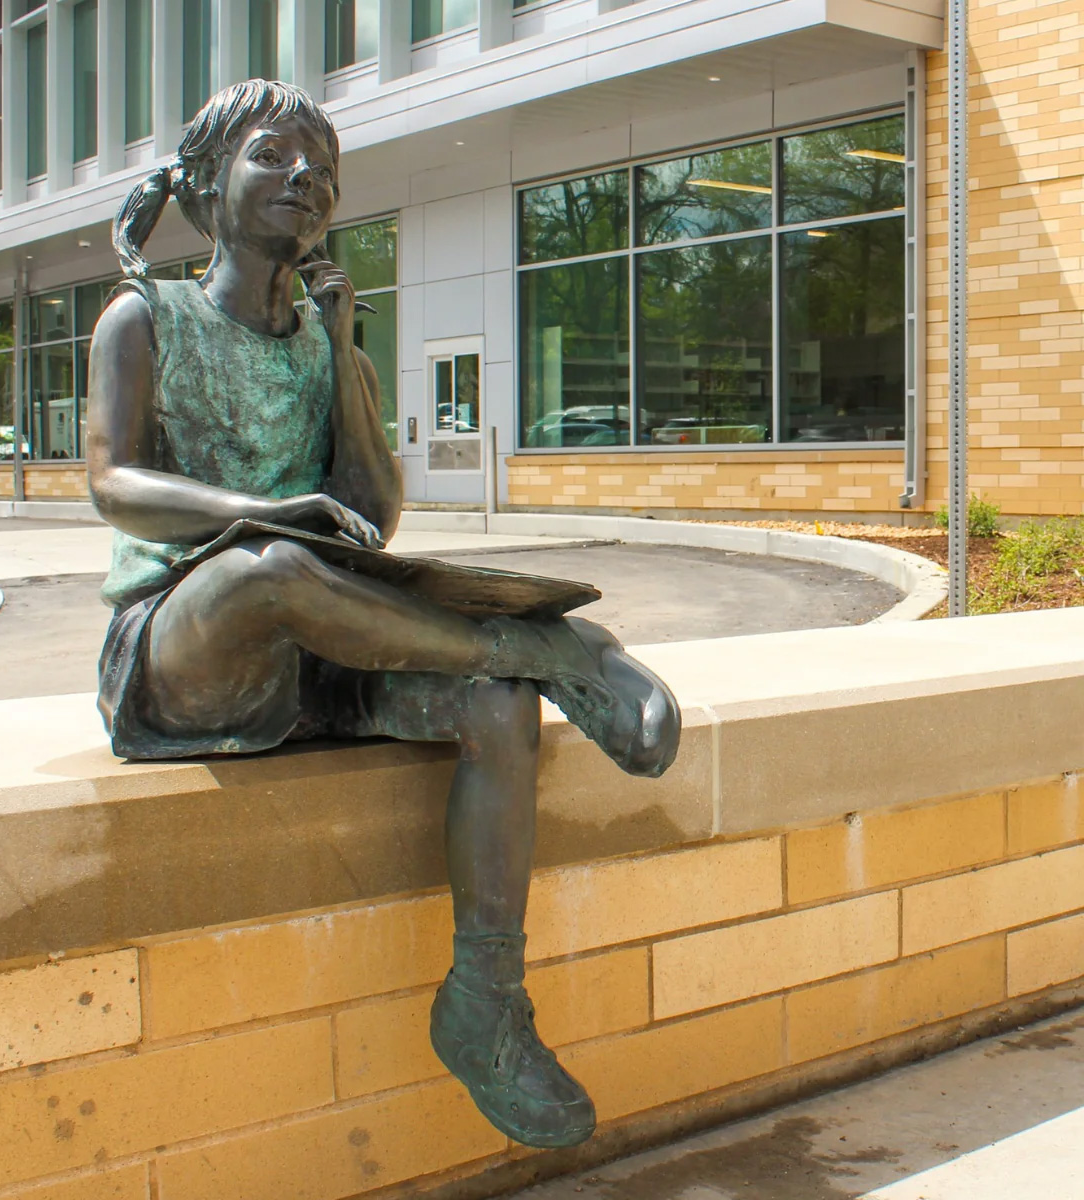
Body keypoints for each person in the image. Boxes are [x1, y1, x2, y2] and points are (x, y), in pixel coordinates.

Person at [86, 79, 681, 1149]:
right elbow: (115, 483)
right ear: (206, 181)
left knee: (495, 710)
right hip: (185, 649)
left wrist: (345, 344)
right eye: (273, 156)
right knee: (265, 568)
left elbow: (370, 516)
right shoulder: (146, 317)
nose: (303, 180)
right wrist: (258, 512)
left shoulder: (325, 340)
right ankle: (545, 645)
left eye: (322, 170)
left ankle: (486, 1003)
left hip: (322, 642)